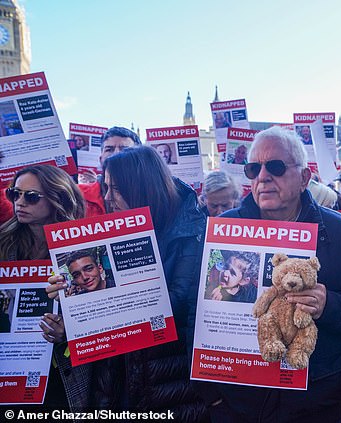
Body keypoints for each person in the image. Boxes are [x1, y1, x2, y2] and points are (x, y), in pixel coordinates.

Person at [212, 125, 341, 421]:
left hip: (313, 400)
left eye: (276, 167)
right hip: (239, 398)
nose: (263, 177)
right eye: (254, 169)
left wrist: (329, 304)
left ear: (305, 178)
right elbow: (196, 313)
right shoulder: (224, 228)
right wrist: (211, 394)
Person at [46, 146, 209, 421]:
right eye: (105, 187)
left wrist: (95, 305)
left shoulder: (192, 234)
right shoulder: (111, 233)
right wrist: (71, 317)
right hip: (116, 386)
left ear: (143, 187)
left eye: (116, 189)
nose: (108, 198)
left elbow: (174, 305)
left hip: (169, 390)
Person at [0, 164, 85, 411]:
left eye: (31, 196)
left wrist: (68, 332)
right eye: (14, 194)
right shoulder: (3, 243)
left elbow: (99, 316)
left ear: (57, 198)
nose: (20, 202)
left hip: (62, 375)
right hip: (11, 366)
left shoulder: (80, 246)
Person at [79, 126, 142, 217]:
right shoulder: (80, 195)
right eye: (109, 149)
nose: (116, 154)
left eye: (125, 149)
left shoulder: (154, 195)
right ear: (100, 158)